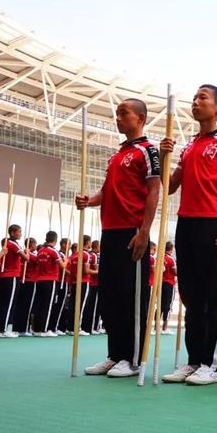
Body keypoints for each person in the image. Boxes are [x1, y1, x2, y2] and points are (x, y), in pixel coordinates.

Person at [159, 84, 217, 386]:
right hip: (186, 223)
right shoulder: (188, 146)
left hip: (214, 223)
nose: (196, 102)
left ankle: (211, 364)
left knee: (214, 297)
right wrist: (164, 157)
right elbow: (170, 187)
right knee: (192, 298)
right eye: (194, 98)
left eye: (202, 98)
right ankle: (194, 359)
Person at [77, 97, 161, 378]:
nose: (118, 118)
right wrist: (89, 201)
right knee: (110, 296)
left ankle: (132, 358)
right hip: (109, 231)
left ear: (140, 118)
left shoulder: (147, 151)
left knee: (131, 296)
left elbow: (154, 191)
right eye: (117, 113)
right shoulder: (116, 156)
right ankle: (115, 354)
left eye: (124, 113)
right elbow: (106, 192)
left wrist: (145, 231)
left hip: (132, 231)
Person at [0, 224, 29, 337]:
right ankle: (2, 329)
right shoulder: (13, 243)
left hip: (5, 276)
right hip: (11, 276)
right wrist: (27, 252)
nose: (20, 234)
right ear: (12, 233)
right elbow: (26, 258)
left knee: (2, 303)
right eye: (19, 231)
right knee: (8, 303)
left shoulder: (7, 243)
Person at [32, 231, 67, 337]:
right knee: (48, 305)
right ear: (55, 240)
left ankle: (37, 329)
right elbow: (62, 266)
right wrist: (66, 260)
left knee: (39, 304)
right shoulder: (53, 251)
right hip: (50, 280)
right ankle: (44, 329)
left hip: (40, 280)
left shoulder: (40, 250)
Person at [13, 237, 38, 336]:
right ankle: (24, 328)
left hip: (22, 281)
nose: (36, 246)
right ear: (31, 244)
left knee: (20, 305)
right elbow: (38, 261)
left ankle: (17, 328)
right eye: (35, 244)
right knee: (27, 306)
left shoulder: (21, 253)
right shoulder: (29, 254)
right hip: (30, 281)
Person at [160, 241, 177, 336]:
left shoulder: (160, 257)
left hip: (161, 284)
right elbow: (175, 272)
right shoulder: (171, 259)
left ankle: (155, 327)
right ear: (171, 249)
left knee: (160, 304)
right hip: (169, 283)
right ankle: (164, 328)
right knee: (167, 305)